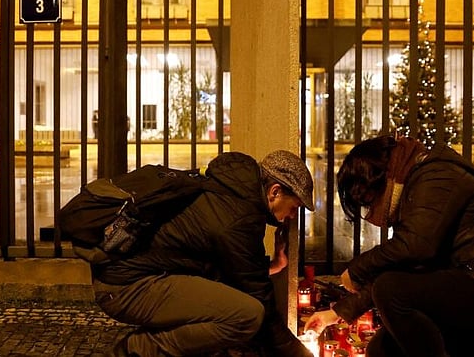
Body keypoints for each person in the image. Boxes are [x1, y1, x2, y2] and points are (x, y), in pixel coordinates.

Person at [304, 135, 474, 357]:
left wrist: (357, 269)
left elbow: (416, 247)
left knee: (391, 289)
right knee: (382, 349)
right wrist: (338, 312)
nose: (371, 213)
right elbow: (415, 265)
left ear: (378, 180)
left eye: (367, 202)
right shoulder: (414, 185)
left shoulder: (435, 177)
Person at [93, 150, 316, 357]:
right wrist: (301, 354)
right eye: (294, 207)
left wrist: (275, 265)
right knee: (247, 316)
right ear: (275, 192)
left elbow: (235, 274)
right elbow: (261, 305)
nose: (292, 216)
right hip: (125, 287)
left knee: (234, 305)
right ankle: (137, 350)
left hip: (130, 275)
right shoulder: (239, 218)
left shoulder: (230, 192)